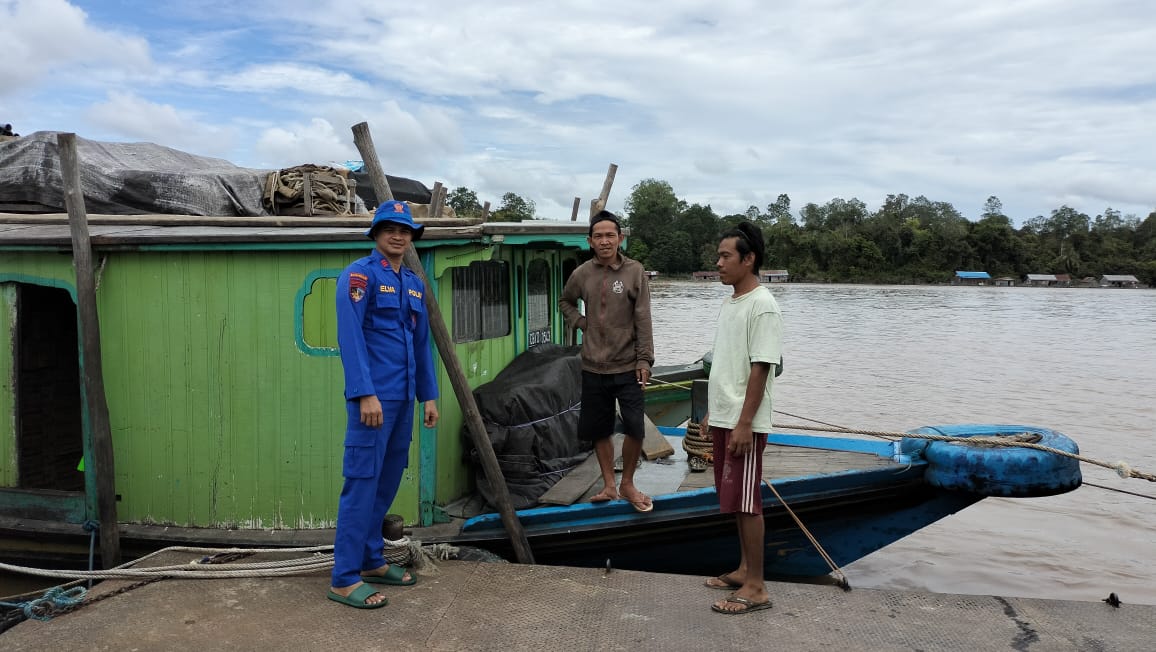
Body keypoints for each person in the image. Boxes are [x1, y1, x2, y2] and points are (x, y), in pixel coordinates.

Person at [328, 199, 439, 609]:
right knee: (361, 483)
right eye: (390, 228)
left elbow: (420, 343)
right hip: (372, 402)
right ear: (376, 233)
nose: (398, 235)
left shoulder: (413, 283)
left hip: (404, 401)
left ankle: (372, 561)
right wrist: (364, 393)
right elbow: (350, 338)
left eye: (405, 229)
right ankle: (343, 578)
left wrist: (428, 395)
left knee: (387, 482)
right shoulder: (359, 276)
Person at [701, 221, 783, 615]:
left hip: (743, 422)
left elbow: (760, 367)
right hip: (726, 416)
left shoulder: (762, 305)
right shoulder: (732, 302)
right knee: (735, 499)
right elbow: (726, 365)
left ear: (748, 260)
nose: (718, 263)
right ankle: (744, 569)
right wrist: (712, 413)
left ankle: (757, 586)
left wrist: (744, 422)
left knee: (748, 501)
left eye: (726, 256)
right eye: (718, 256)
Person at [559, 210, 655, 512]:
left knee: (635, 428)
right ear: (590, 241)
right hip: (592, 366)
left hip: (628, 365)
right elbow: (565, 300)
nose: (604, 241)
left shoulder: (634, 271)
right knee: (599, 429)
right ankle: (609, 485)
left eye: (610, 235)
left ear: (620, 238)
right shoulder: (583, 273)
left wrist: (645, 359)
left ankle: (627, 482)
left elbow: (643, 317)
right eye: (598, 236)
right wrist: (580, 321)